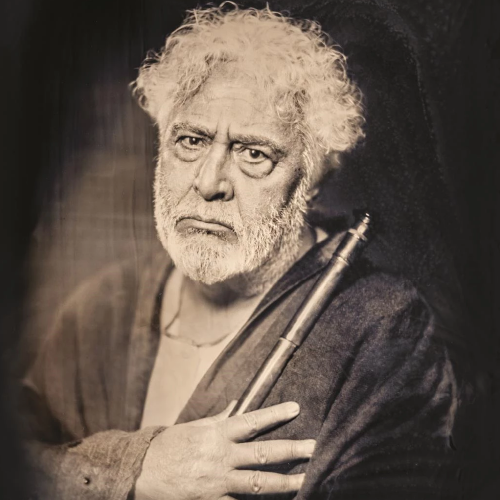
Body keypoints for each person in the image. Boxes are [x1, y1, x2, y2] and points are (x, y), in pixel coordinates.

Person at [20, 4, 462, 499]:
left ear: (314, 180)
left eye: (254, 153)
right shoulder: (102, 306)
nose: (209, 183)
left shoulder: (385, 329)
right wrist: (135, 469)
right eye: (191, 140)